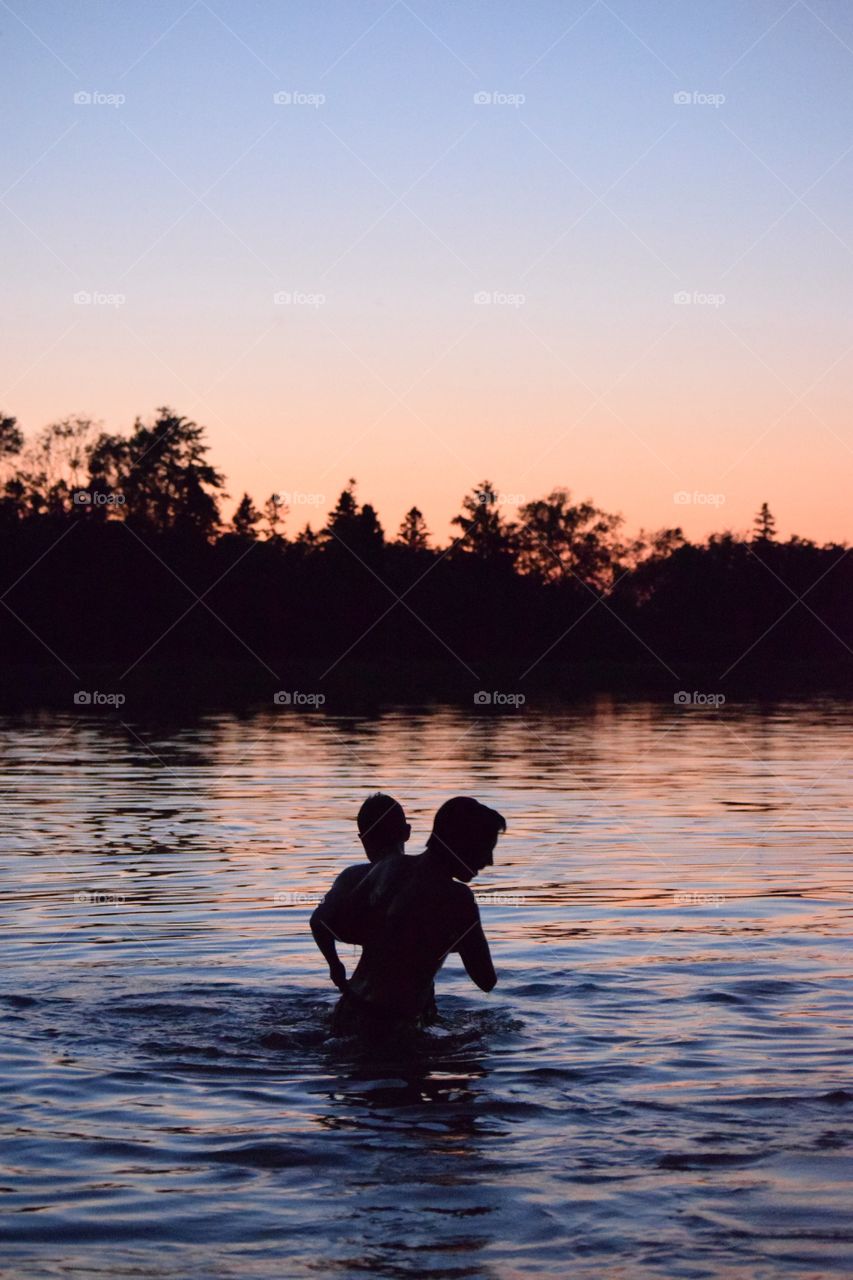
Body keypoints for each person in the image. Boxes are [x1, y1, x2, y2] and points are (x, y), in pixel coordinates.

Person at [325, 796, 506, 1033]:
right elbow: (486, 981)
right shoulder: (458, 899)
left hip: (346, 1011)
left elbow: (338, 925)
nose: (489, 861)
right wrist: (457, 940)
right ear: (464, 844)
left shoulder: (388, 866)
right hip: (391, 1028)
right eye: (485, 849)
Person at [310, 793, 410, 993]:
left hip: (363, 989)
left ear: (362, 838)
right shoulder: (423, 876)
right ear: (407, 832)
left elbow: (318, 921)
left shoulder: (353, 876)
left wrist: (335, 965)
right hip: (411, 995)